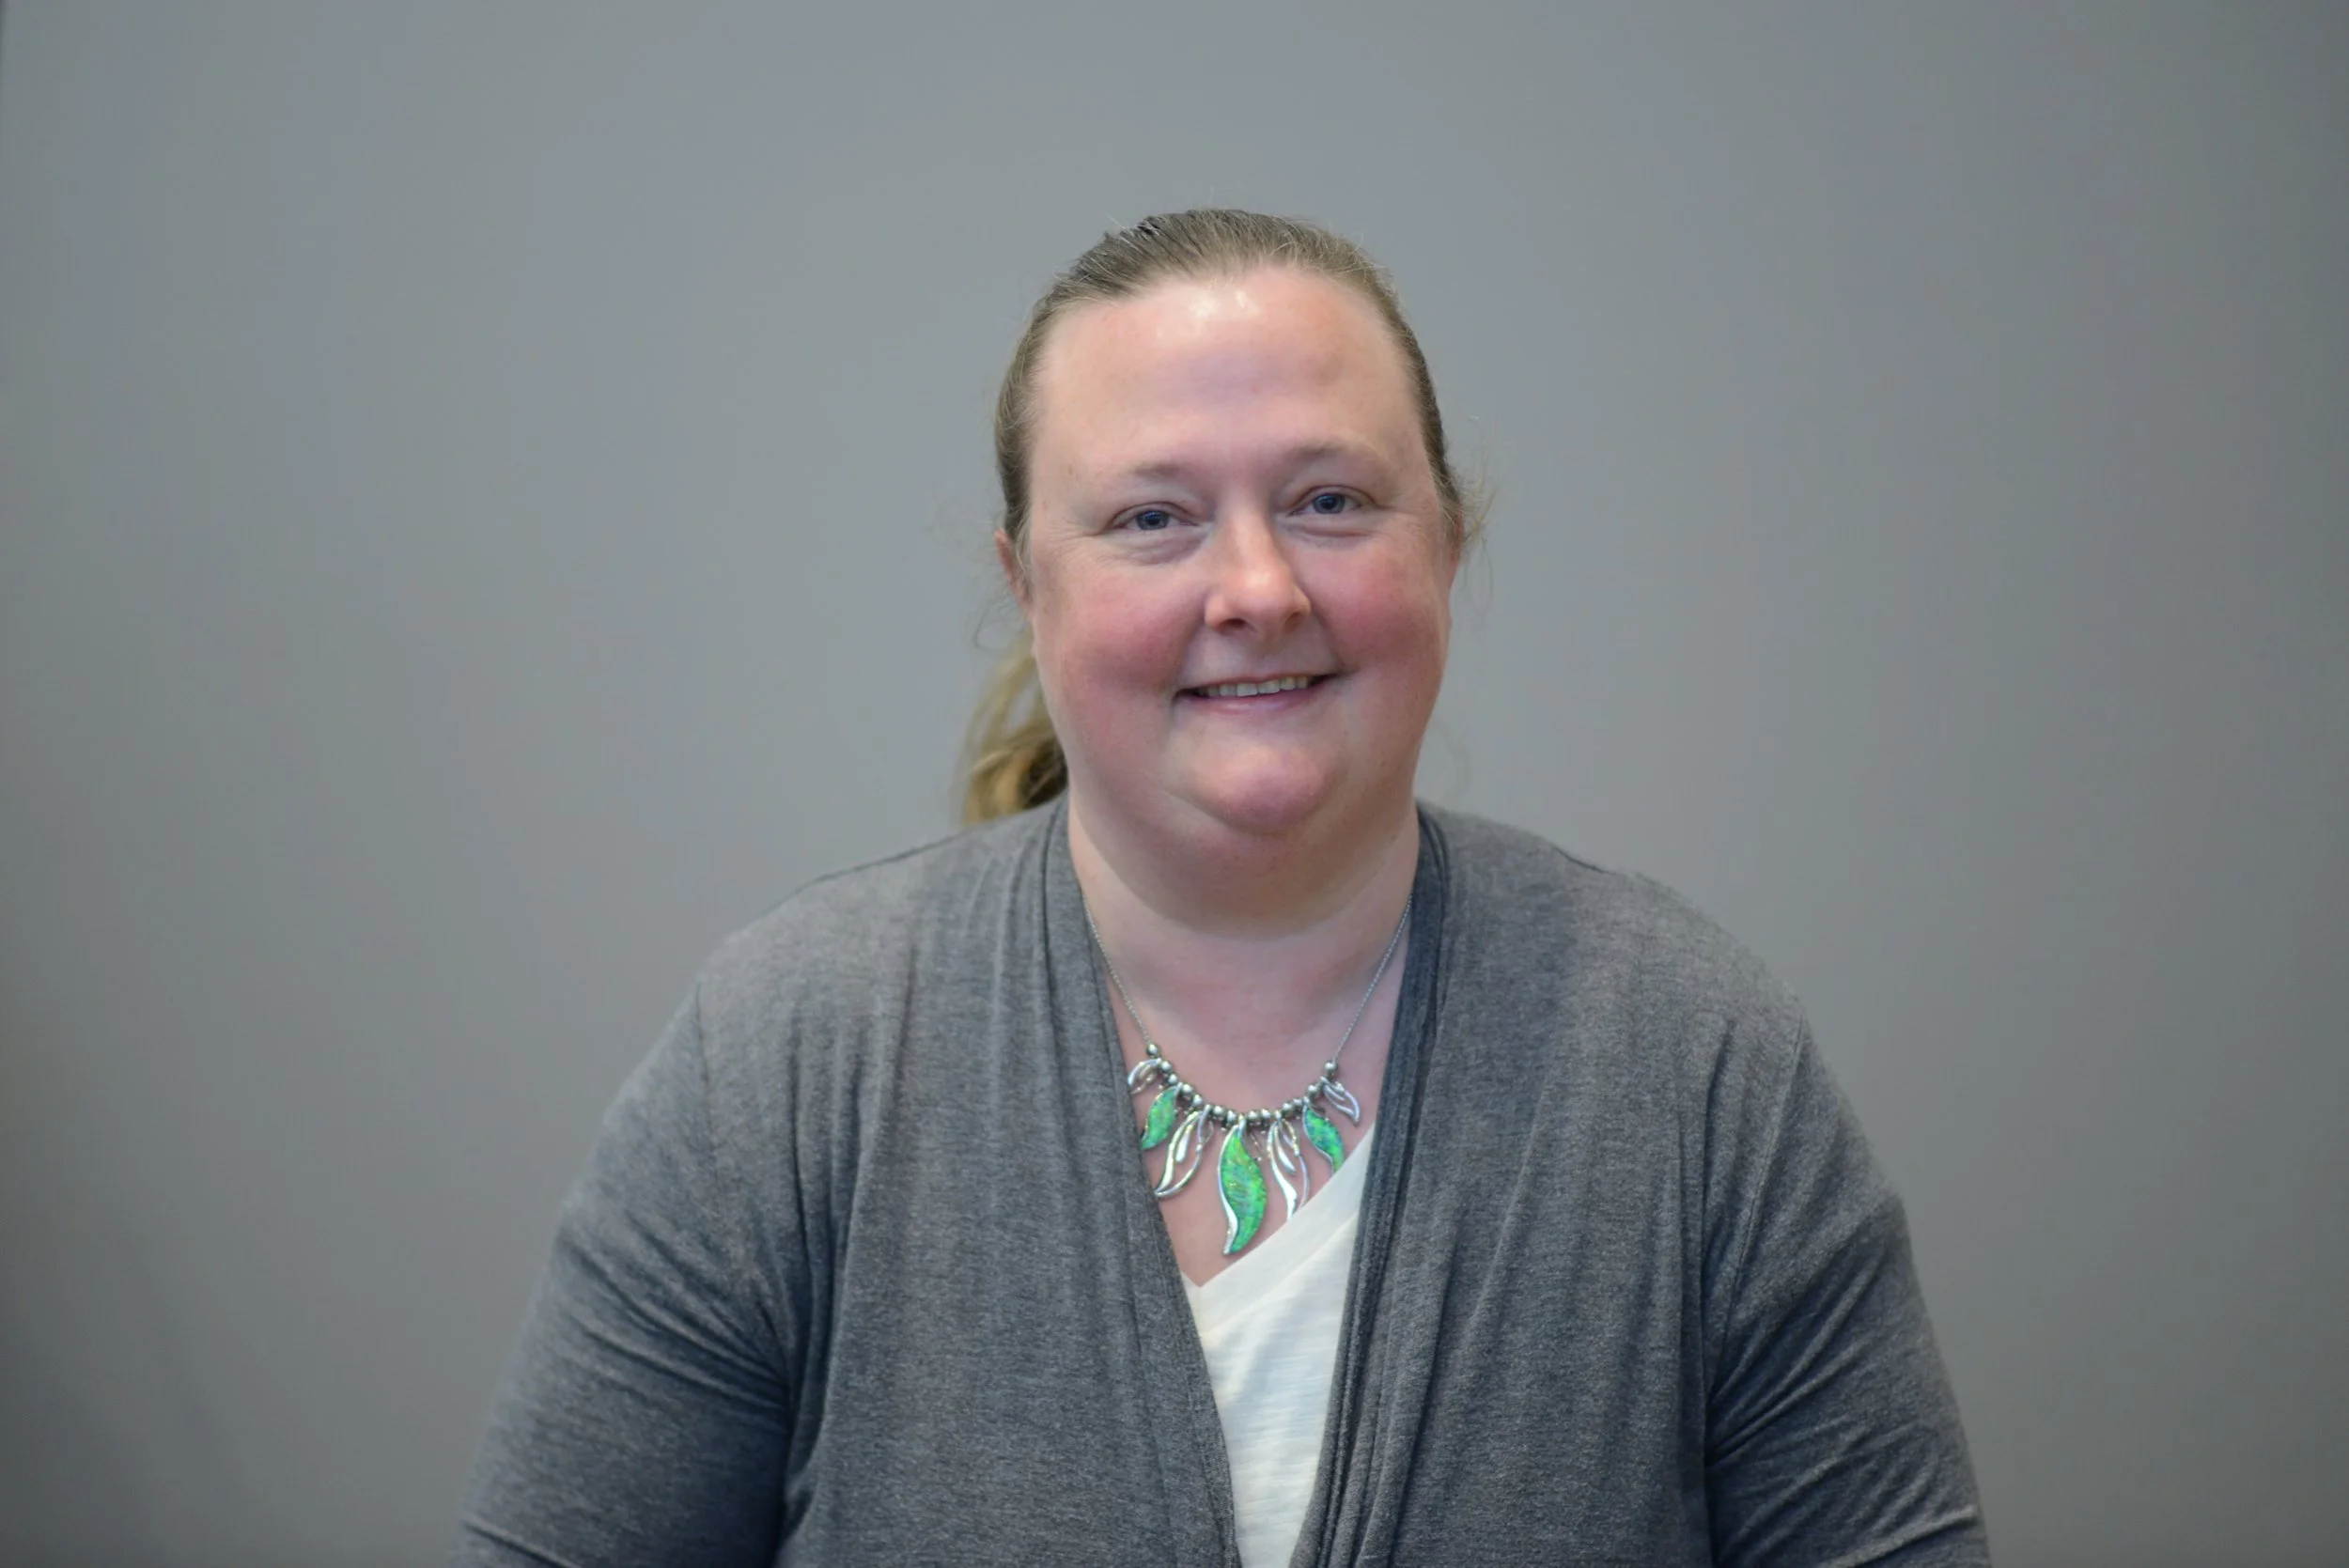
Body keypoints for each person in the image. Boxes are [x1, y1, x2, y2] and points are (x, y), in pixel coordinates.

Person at [453, 210, 1988, 1566]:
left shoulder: (1691, 1060)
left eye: (1330, 499)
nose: (1258, 589)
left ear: (1448, 545)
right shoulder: (792, 1059)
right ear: (1025, 586)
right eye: (1151, 519)